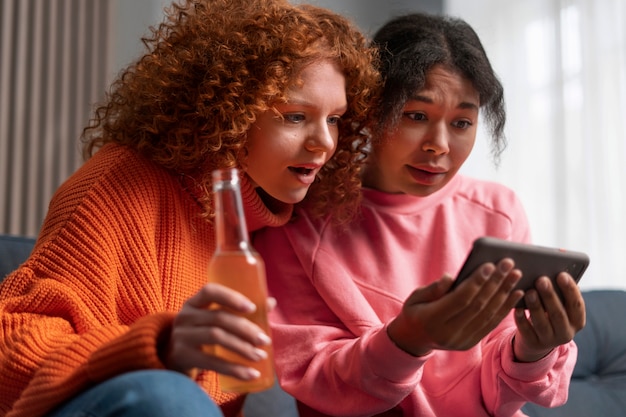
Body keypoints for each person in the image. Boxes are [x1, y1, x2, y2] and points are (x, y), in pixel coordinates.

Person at [0, 1, 379, 416]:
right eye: (294, 116)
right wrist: (162, 346)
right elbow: (12, 342)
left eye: (336, 119)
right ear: (227, 111)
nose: (324, 142)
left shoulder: (276, 227)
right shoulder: (118, 184)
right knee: (170, 397)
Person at [253, 12, 586, 417]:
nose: (439, 145)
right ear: (371, 109)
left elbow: (500, 396)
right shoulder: (298, 217)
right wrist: (407, 340)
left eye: (462, 122)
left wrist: (532, 349)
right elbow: (316, 379)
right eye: (416, 116)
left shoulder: (498, 211)